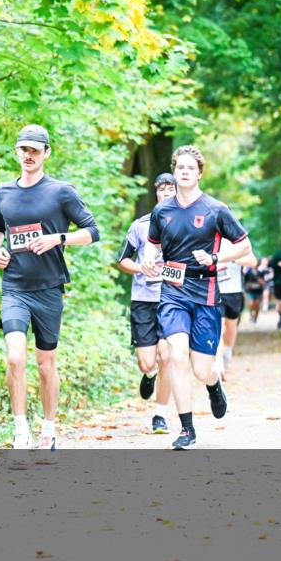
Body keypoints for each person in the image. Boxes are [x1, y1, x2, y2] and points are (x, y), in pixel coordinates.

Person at [0, 124, 100, 450]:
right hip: (14, 287)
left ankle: (49, 429)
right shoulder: (3, 192)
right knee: (15, 358)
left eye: (35, 150)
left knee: (45, 365)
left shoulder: (61, 192)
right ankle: (20, 429)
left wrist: (58, 238)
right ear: (16, 151)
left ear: (46, 153)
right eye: (24, 149)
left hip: (49, 288)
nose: (29, 155)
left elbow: (93, 231)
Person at [142, 145, 252, 450]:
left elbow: (244, 245)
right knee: (176, 355)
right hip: (173, 291)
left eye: (191, 168)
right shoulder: (162, 211)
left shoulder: (216, 209)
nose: (185, 172)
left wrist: (216, 257)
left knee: (202, 369)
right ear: (174, 171)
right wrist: (150, 258)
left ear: (199, 173)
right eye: (180, 167)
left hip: (206, 293)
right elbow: (152, 243)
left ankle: (214, 385)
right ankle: (187, 429)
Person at [116, 172, 177, 434]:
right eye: (162, 189)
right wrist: (142, 268)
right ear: (156, 193)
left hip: (172, 298)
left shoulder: (184, 224)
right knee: (147, 362)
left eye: (171, 189)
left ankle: (160, 414)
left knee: (167, 357)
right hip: (143, 299)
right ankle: (149, 374)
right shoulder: (140, 225)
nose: (166, 193)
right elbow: (122, 260)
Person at [215, 239, 257, 380]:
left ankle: (228, 353)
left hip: (234, 292)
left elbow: (253, 262)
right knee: (219, 328)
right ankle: (219, 364)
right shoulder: (208, 237)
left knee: (231, 326)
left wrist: (231, 258)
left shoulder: (236, 241)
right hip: (215, 291)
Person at [243, 257, 269, 324]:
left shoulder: (261, 272)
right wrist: (248, 285)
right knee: (251, 304)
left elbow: (264, 282)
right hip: (250, 291)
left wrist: (260, 282)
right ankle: (251, 315)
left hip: (258, 291)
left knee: (257, 304)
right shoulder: (248, 273)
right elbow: (245, 282)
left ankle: (255, 319)